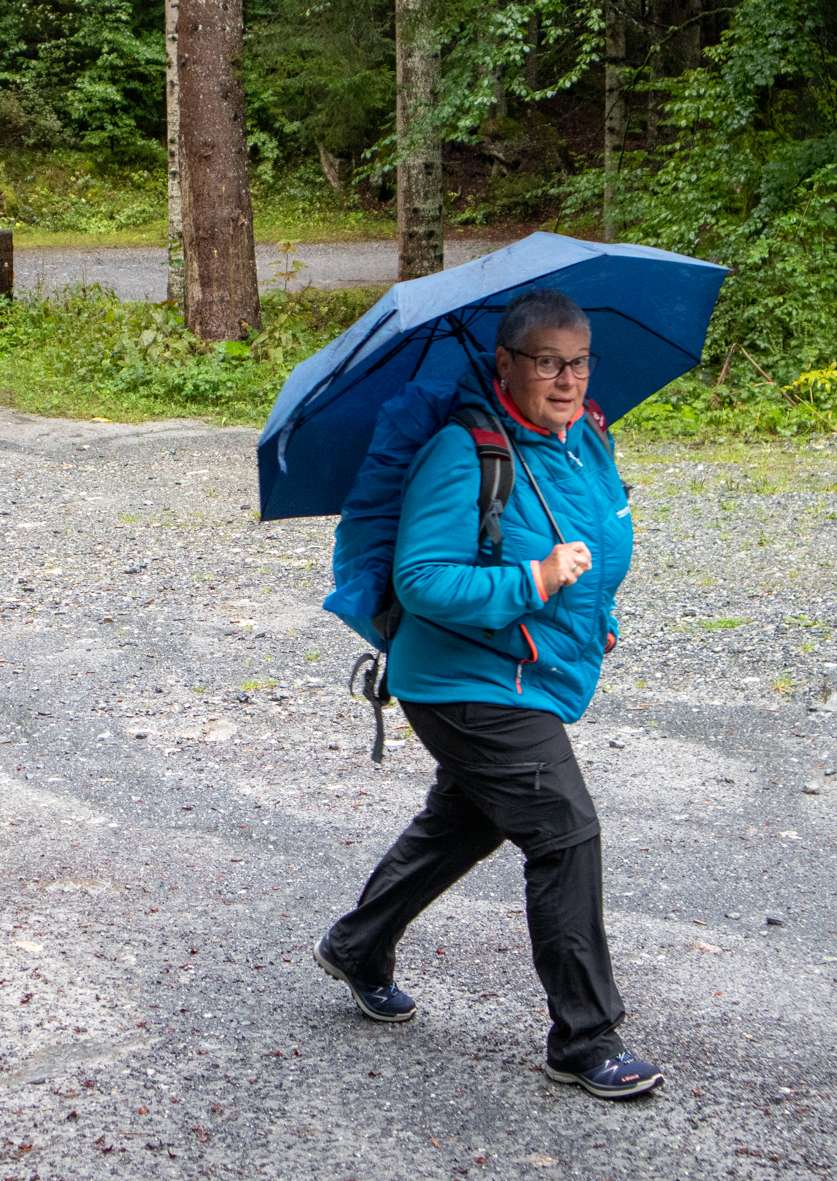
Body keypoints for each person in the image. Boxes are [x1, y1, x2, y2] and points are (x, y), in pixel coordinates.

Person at [312, 286, 661, 1100]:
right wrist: (533, 579)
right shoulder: (462, 452)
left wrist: (596, 617)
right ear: (505, 363)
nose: (567, 379)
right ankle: (585, 1038)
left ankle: (357, 945)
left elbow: (598, 549)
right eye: (547, 362)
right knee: (563, 829)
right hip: (461, 679)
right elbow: (423, 579)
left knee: (465, 822)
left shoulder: (584, 440)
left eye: (579, 362)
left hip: (524, 670)